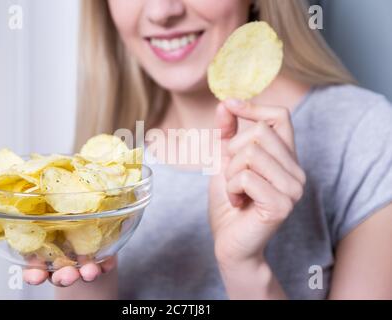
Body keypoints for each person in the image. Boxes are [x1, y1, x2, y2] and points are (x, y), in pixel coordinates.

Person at [24, 0, 392, 299]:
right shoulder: (103, 165)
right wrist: (90, 278)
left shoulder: (364, 135)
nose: (161, 12)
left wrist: (245, 268)